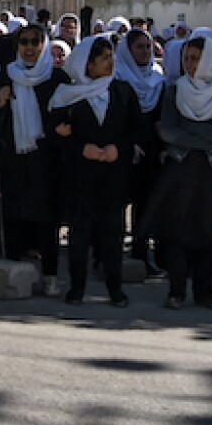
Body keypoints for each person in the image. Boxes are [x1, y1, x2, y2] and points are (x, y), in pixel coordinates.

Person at [141, 37, 212, 310]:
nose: (190, 64)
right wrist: (208, 136)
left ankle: (205, 292)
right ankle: (176, 290)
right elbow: (167, 131)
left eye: (196, 58)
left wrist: (190, 128)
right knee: (177, 231)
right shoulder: (176, 90)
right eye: (186, 58)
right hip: (181, 168)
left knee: (210, 232)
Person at [48, 35, 144, 307]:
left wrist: (119, 149)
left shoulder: (123, 91)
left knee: (113, 233)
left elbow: (138, 129)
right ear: (86, 65)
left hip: (114, 175)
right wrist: (81, 148)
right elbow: (55, 135)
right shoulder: (67, 96)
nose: (110, 63)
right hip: (80, 176)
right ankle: (77, 287)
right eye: (103, 59)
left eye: (111, 57)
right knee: (80, 233)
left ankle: (115, 288)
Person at [0, 23, 67, 296]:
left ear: (45, 45)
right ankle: (13, 274)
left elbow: (65, 115)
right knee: (13, 214)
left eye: (35, 42)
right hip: (14, 157)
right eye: (24, 42)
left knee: (46, 218)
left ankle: (50, 275)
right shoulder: (6, 76)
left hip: (46, 158)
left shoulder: (57, 78)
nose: (29, 48)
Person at [113, 27, 167, 278]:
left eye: (148, 47)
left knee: (145, 204)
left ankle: (141, 255)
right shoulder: (118, 78)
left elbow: (160, 116)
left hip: (151, 148)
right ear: (128, 50)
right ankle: (108, 257)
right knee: (117, 204)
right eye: (139, 47)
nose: (145, 52)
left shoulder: (157, 78)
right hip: (125, 148)